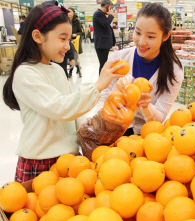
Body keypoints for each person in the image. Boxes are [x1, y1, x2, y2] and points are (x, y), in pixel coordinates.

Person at [2, 3, 125, 183]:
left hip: (68, 158)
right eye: (62, 38)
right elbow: (59, 108)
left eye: (69, 39)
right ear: (37, 36)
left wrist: (86, 125)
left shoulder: (57, 70)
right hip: (41, 159)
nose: (68, 46)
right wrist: (98, 85)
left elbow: (69, 111)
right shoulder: (25, 73)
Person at [95, 3, 183, 136]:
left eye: (151, 36)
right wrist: (99, 122)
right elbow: (104, 97)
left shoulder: (173, 71)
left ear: (165, 36)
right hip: (111, 130)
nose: (141, 42)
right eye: (138, 32)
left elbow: (159, 118)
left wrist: (146, 106)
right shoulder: (119, 59)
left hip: (146, 138)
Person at [93, 0, 116, 74]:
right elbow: (105, 24)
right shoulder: (98, 14)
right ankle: (101, 82)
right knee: (103, 64)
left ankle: (102, 81)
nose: (111, 10)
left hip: (103, 44)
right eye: (110, 8)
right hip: (101, 44)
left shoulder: (101, 14)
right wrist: (111, 15)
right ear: (107, 6)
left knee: (104, 63)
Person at [68, 7, 83, 77]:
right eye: (67, 11)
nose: (69, 13)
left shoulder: (76, 21)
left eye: (70, 11)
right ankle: (77, 68)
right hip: (67, 41)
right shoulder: (65, 21)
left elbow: (81, 32)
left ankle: (72, 71)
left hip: (74, 41)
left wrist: (76, 34)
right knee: (70, 56)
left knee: (74, 56)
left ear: (74, 13)